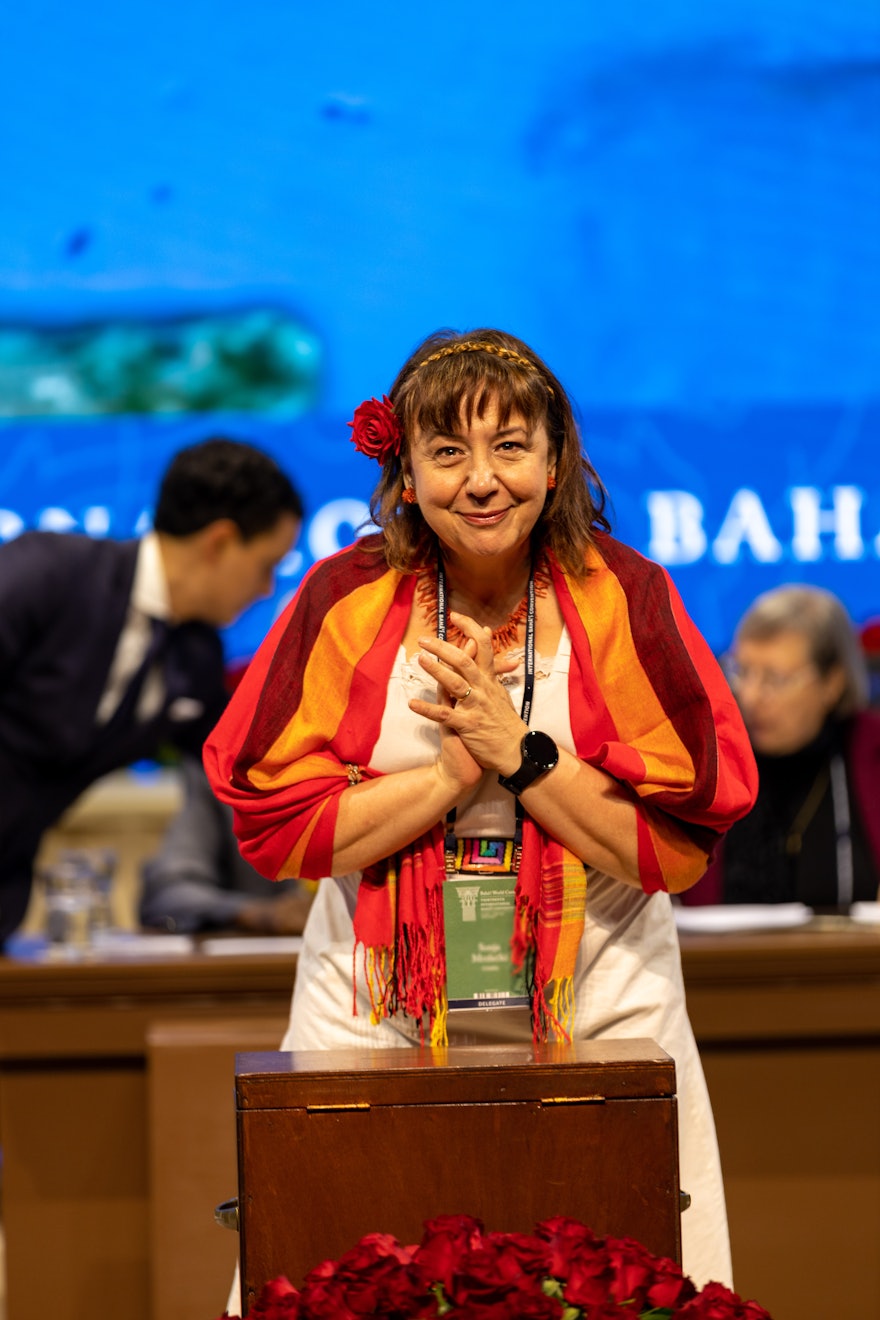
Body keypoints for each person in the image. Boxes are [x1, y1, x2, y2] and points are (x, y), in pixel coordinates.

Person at [204, 329, 758, 1291]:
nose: (483, 480)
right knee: (347, 1264)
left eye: (510, 446)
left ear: (556, 461)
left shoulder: (624, 597)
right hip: (373, 984)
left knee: (622, 1272)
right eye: (449, 452)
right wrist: (451, 777)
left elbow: (674, 851)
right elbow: (275, 828)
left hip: (602, 978)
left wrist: (524, 757)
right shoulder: (344, 598)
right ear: (405, 474)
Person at [0, 436, 302, 948]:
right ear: (220, 543)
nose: (267, 589)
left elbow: (235, 773)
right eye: (266, 565)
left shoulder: (196, 658)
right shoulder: (44, 573)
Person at [684, 585, 880, 908]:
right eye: (742, 672)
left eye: (775, 679)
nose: (750, 696)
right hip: (724, 959)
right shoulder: (707, 759)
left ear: (832, 682)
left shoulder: (871, 751)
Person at [139, 755, 314, 934]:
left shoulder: (343, 767)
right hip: (269, 957)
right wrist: (260, 914)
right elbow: (170, 892)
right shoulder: (225, 767)